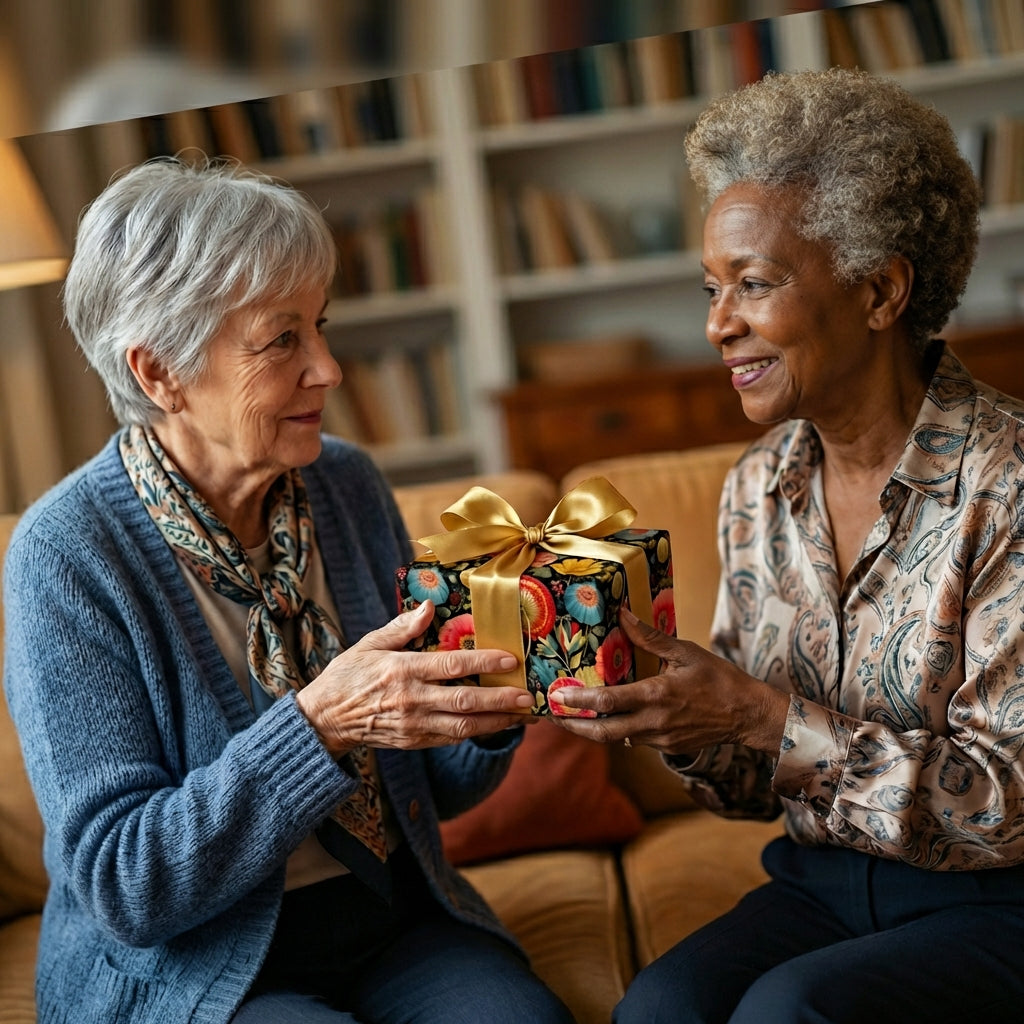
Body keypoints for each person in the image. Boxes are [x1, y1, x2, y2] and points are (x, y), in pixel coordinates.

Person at [2, 157, 574, 1024]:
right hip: (197, 966)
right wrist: (321, 724)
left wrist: (500, 689)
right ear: (160, 373)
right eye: (283, 340)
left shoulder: (344, 486)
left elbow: (434, 791)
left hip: (392, 920)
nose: (330, 369)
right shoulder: (68, 554)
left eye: (321, 326)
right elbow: (127, 882)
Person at [551, 66, 1024, 1023]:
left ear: (883, 291)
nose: (718, 325)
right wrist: (676, 717)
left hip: (996, 902)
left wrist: (762, 716)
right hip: (820, 885)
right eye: (712, 288)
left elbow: (1004, 806)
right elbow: (745, 793)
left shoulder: (1010, 484)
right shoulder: (755, 488)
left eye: (754, 285)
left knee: (789, 1012)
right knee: (658, 1009)